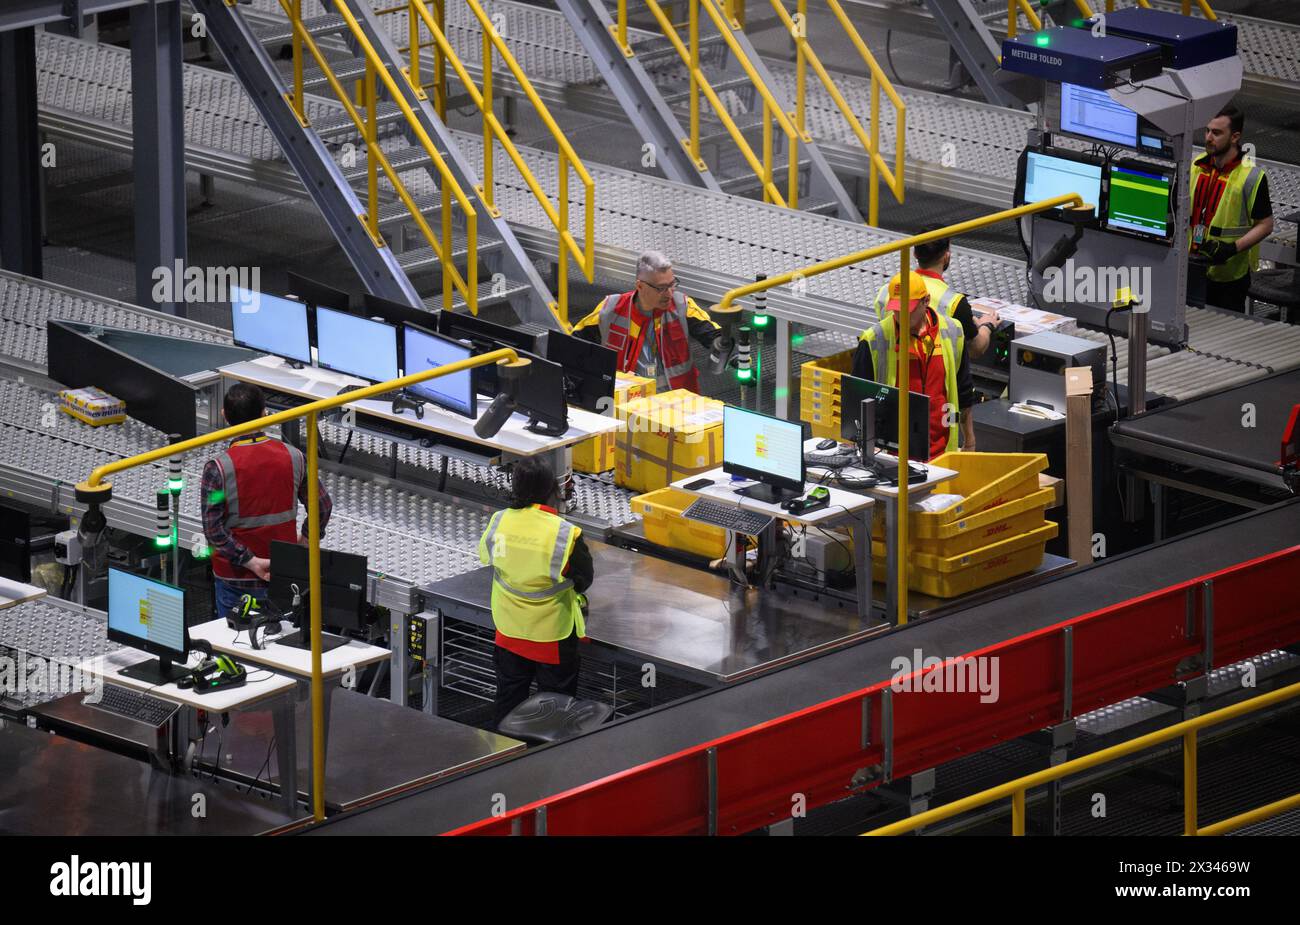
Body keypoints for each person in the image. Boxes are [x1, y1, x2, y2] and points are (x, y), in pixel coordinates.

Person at [479, 457, 594, 727]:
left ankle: (504, 755)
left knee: (508, 700)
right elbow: (584, 578)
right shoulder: (565, 534)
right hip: (551, 635)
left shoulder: (499, 521)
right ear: (551, 490)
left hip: (508, 630)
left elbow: (488, 557)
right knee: (554, 710)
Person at [201, 383, 333, 619]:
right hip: (282, 574)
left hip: (235, 581)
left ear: (224, 416)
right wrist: (306, 540)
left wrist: (250, 561)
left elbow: (213, 530)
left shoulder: (218, 468)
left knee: (235, 647)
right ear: (265, 413)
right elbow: (322, 506)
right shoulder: (294, 458)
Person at [853, 272, 976, 459]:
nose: (901, 316)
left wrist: (969, 441)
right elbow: (856, 406)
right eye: (896, 310)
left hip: (942, 455)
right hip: (892, 457)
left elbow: (963, 391)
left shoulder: (952, 332)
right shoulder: (874, 339)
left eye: (907, 310)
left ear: (925, 301)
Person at [573, 250, 721, 392]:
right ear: (640, 286)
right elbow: (574, 343)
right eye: (661, 288)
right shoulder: (611, 309)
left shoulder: (682, 306)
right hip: (628, 400)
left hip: (679, 401)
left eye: (672, 284)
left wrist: (726, 348)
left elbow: (712, 334)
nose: (669, 293)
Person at [1189, 105, 1274, 312]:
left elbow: (1266, 225)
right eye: (1207, 130)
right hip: (1191, 267)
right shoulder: (1196, 165)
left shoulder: (1251, 177)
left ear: (1235, 137)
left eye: (1217, 133)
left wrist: (1231, 249)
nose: (1209, 137)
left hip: (1228, 277)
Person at [873, 235, 1000, 358]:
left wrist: (968, 318)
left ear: (915, 254)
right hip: (933, 374)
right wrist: (987, 326)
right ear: (946, 257)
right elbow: (975, 349)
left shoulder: (887, 291)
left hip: (892, 370)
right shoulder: (955, 303)